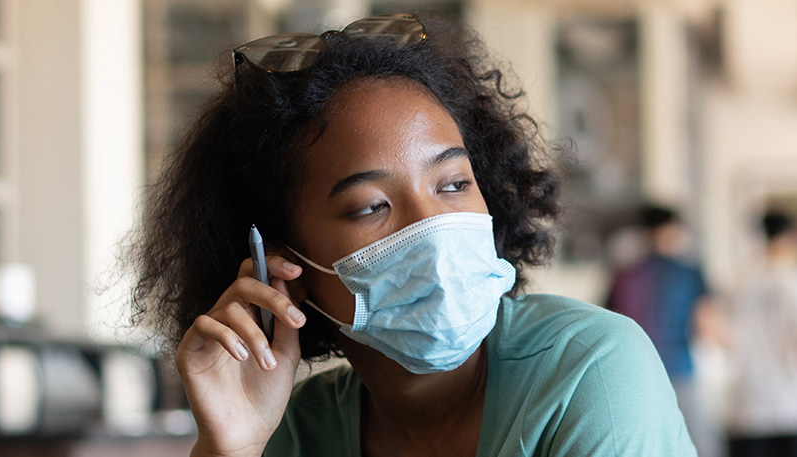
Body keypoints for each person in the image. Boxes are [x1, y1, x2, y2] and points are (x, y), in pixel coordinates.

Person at [126, 13, 694, 456]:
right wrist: (231, 449)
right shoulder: (292, 429)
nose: (433, 226)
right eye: (372, 205)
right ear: (284, 266)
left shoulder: (590, 371)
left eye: (452, 185)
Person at [606, 205, 720, 456]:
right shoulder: (689, 272)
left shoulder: (623, 275)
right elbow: (706, 325)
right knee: (699, 445)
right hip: (679, 369)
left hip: (634, 373)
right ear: (672, 229)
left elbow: (610, 323)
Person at [725, 211, 797, 457]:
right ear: (789, 236)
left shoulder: (741, 280)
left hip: (747, 400)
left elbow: (724, 335)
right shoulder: (791, 280)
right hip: (788, 402)